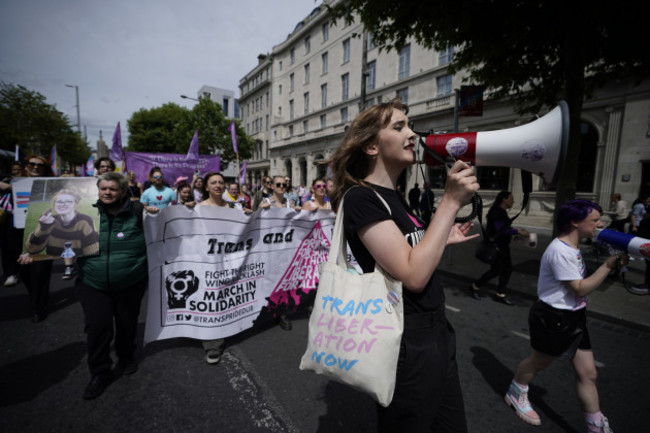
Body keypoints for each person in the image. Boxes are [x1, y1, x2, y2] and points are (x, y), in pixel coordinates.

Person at [327, 98, 479, 432]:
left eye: (409, 125)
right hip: (407, 338)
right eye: (399, 127)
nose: (412, 134)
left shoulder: (393, 195)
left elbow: (410, 251)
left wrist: (441, 237)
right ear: (370, 145)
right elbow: (413, 275)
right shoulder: (360, 198)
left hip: (437, 331)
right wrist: (451, 202)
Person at [505, 199, 627, 432]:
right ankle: (516, 391)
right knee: (539, 362)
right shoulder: (561, 251)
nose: (600, 224)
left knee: (588, 373)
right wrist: (608, 266)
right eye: (594, 220)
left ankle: (595, 425)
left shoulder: (572, 247)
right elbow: (580, 288)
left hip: (574, 316)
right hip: (554, 317)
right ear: (574, 222)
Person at [73, 172, 148, 399]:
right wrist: (35, 254)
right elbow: (59, 241)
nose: (107, 193)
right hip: (92, 282)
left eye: (113, 189)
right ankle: (100, 371)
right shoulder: (85, 213)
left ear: (123, 192)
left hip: (130, 282)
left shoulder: (140, 212)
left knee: (126, 323)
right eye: (103, 188)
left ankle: (126, 357)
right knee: (97, 327)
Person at [193, 172, 239, 363]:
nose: (218, 185)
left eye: (221, 182)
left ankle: (225, 326)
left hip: (227, 259)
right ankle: (212, 343)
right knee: (210, 297)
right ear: (206, 187)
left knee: (224, 296)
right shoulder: (198, 209)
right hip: (206, 260)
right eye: (214, 183)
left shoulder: (231, 207)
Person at [25, 188, 99, 279]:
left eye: (68, 201)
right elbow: (33, 250)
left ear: (75, 204)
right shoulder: (50, 220)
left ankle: (70, 268)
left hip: (80, 261)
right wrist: (43, 227)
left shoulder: (84, 221)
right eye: (59, 202)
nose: (63, 204)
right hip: (53, 260)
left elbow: (92, 250)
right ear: (54, 204)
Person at [470, 191, 529, 305]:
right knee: (499, 270)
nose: (513, 201)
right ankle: (477, 287)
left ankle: (498, 293)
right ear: (504, 199)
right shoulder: (497, 211)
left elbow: (503, 228)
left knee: (504, 269)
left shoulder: (500, 211)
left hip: (502, 247)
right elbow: (500, 229)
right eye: (511, 199)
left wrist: (515, 233)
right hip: (497, 248)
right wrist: (518, 231)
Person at [16, 154, 55, 323]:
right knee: (23, 271)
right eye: (32, 164)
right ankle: (36, 296)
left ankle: (38, 307)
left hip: (45, 233)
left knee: (40, 272)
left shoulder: (53, 185)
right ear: (26, 166)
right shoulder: (14, 185)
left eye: (40, 165)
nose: (35, 167)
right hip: (17, 233)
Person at [0, 161, 24, 287]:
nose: (16, 172)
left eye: (19, 169)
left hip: (22, 218)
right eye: (14, 169)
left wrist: (10, 187)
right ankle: (11, 273)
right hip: (6, 218)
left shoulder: (26, 181)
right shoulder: (6, 180)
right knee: (7, 247)